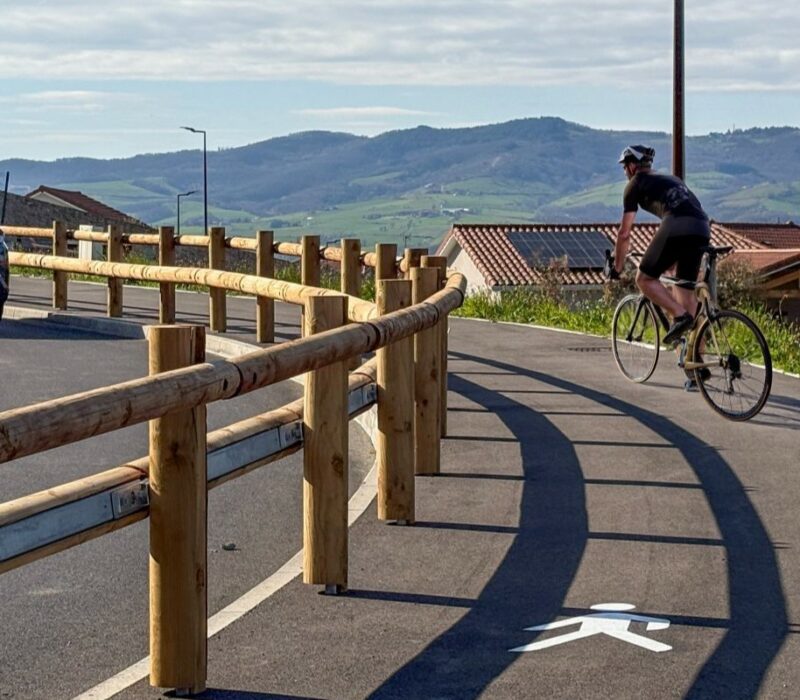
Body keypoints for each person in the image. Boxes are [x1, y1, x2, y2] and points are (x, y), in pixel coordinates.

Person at [611, 145, 710, 347]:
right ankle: (696, 365)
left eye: (624, 167)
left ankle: (680, 316)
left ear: (631, 167)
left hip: (677, 225)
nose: (624, 172)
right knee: (685, 295)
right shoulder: (672, 179)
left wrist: (617, 267)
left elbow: (624, 233)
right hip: (702, 228)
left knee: (644, 279)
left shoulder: (634, 184)